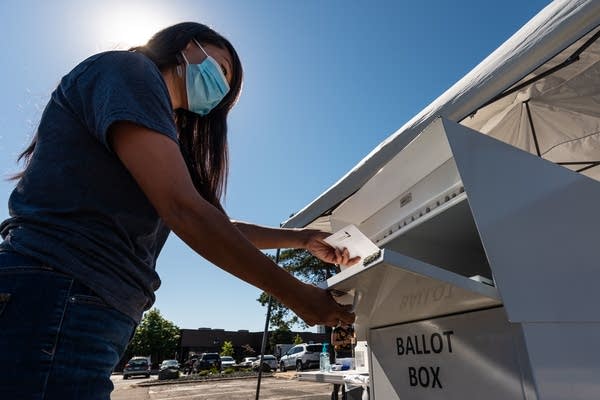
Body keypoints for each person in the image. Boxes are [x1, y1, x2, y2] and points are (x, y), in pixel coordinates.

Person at [0, 22, 357, 399]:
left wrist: (301, 239)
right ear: (189, 47)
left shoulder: (164, 134)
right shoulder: (130, 71)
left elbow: (211, 221)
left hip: (88, 302)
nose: (220, 90)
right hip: (58, 289)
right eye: (221, 70)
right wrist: (296, 295)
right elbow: (185, 211)